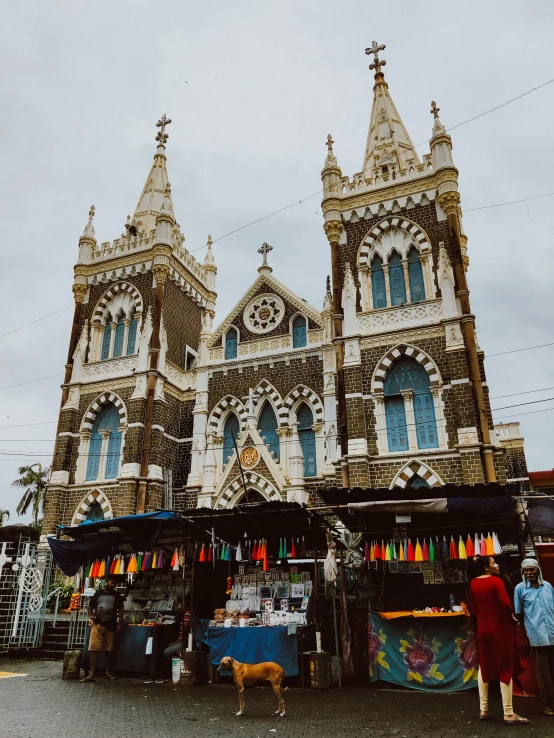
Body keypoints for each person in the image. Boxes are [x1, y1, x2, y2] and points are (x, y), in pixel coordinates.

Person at [469, 555, 529, 724]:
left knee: (484, 665)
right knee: (505, 666)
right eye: (493, 563)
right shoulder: (496, 582)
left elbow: (473, 607)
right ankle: (508, 713)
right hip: (499, 629)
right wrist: (512, 618)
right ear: (486, 568)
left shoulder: (473, 583)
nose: (497, 565)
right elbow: (505, 603)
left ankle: (483, 709)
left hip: (482, 629)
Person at [514, 558, 554, 716]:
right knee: (542, 672)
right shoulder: (520, 589)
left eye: (532, 570)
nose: (529, 573)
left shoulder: (548, 587)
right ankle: (547, 704)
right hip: (537, 636)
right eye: (526, 570)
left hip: (552, 633)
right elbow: (519, 613)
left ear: (538, 569)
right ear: (523, 572)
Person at [80, 578, 124, 683]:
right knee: (94, 648)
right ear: (106, 582)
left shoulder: (117, 595)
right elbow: (90, 606)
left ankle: (108, 672)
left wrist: (120, 622)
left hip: (111, 625)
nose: (113, 584)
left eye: (114, 583)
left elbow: (121, 609)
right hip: (97, 624)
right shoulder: (98, 593)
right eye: (112, 582)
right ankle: (92, 673)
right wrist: (91, 616)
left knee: (109, 649)